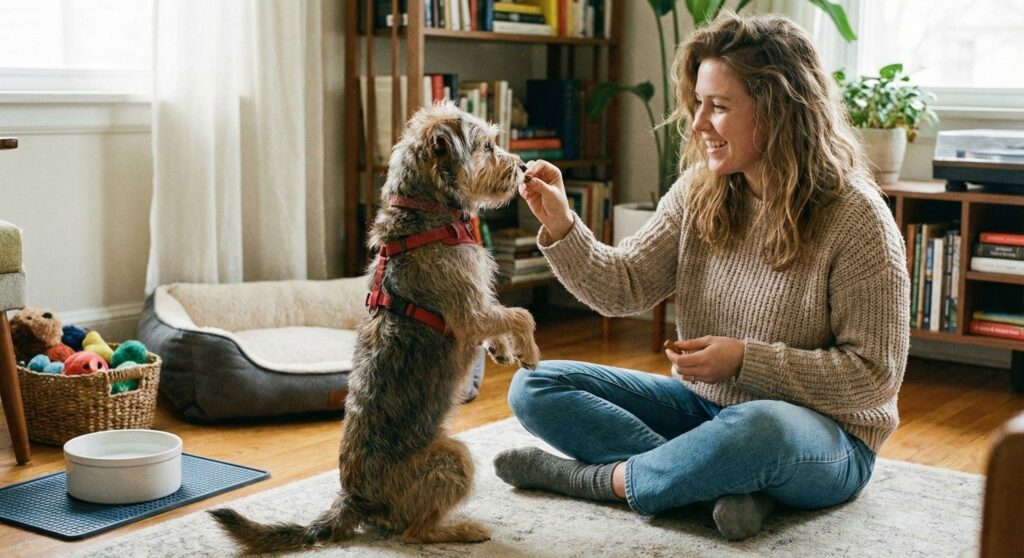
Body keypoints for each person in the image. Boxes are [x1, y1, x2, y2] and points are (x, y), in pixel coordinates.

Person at [493, 11, 910, 541]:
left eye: (718, 106)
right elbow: (622, 288)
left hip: (823, 441)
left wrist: (744, 360)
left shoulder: (857, 217)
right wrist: (560, 222)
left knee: (760, 427)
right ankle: (718, 486)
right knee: (536, 385)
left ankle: (600, 481)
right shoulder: (701, 191)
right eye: (698, 104)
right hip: (704, 410)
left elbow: (873, 377)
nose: (697, 124)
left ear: (778, 109)